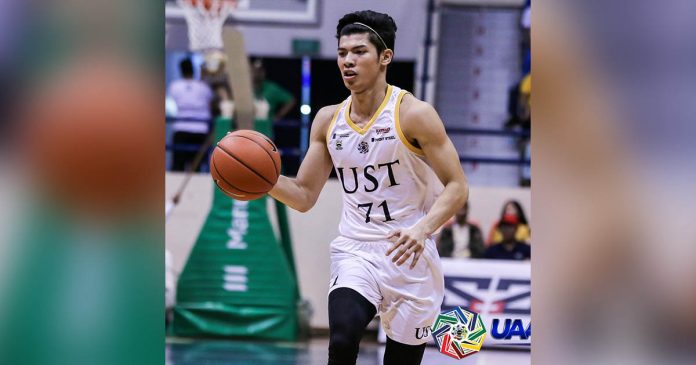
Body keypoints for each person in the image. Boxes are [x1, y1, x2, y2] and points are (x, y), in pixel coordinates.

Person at [268, 10, 468, 365]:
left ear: (385, 57)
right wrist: (264, 182)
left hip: (409, 254)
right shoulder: (328, 120)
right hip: (356, 250)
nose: (347, 60)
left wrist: (422, 229)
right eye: (343, 52)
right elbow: (303, 196)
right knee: (343, 339)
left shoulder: (414, 115)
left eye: (359, 52)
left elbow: (457, 188)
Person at [167, 57, 214, 171]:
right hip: (200, 129)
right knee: (196, 167)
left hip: (181, 129)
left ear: (181, 70)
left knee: (178, 166)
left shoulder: (174, 86)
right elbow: (210, 104)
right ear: (193, 70)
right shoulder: (204, 87)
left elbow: (171, 103)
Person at [250, 58, 296, 122]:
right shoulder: (244, 88)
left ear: (264, 72)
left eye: (259, 71)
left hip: (265, 128)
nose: (256, 74)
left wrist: (278, 116)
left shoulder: (271, 88)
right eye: (253, 71)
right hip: (246, 127)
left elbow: (291, 100)